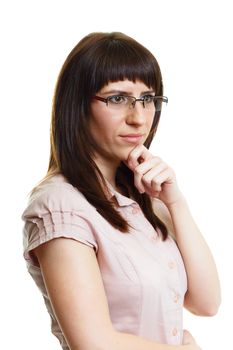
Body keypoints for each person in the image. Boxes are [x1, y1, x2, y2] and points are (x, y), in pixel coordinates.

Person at [22, 32, 221, 350]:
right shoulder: (60, 205)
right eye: (117, 98)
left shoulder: (144, 197)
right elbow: (93, 343)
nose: (139, 118)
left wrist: (176, 201)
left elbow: (206, 302)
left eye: (148, 99)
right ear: (77, 106)